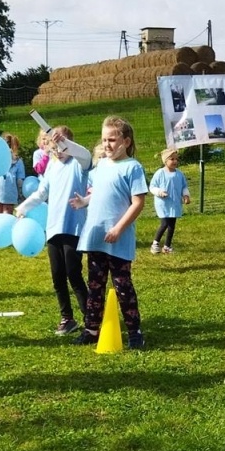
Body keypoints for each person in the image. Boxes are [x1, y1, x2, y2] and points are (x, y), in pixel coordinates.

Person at [70, 117, 148, 350]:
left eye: (112, 140)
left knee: (123, 286)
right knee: (95, 285)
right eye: (104, 140)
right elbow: (99, 192)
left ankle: (135, 332)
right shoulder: (101, 165)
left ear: (126, 141)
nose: (107, 144)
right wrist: (84, 201)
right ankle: (91, 329)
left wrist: (118, 229)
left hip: (118, 240)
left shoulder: (133, 167)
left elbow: (138, 203)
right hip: (96, 238)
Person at [15, 126, 92, 335]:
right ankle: (67, 318)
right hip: (53, 229)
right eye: (53, 145)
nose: (57, 149)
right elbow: (41, 193)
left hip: (73, 228)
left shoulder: (79, 164)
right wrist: (23, 208)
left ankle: (90, 319)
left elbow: (85, 154)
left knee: (73, 273)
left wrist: (67, 144)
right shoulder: (52, 166)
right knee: (57, 275)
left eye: (61, 145)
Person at [149, 148, 191, 255]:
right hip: (163, 204)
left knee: (172, 225)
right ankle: (155, 244)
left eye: (176, 159)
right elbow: (152, 187)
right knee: (164, 224)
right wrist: (159, 192)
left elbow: (184, 186)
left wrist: (186, 195)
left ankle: (167, 246)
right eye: (172, 159)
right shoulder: (160, 173)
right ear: (165, 161)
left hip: (175, 203)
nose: (175, 161)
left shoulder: (179, 174)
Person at [0, 134, 24, 214]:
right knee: (7, 214)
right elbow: (20, 180)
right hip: (10, 191)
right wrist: (21, 194)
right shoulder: (18, 161)